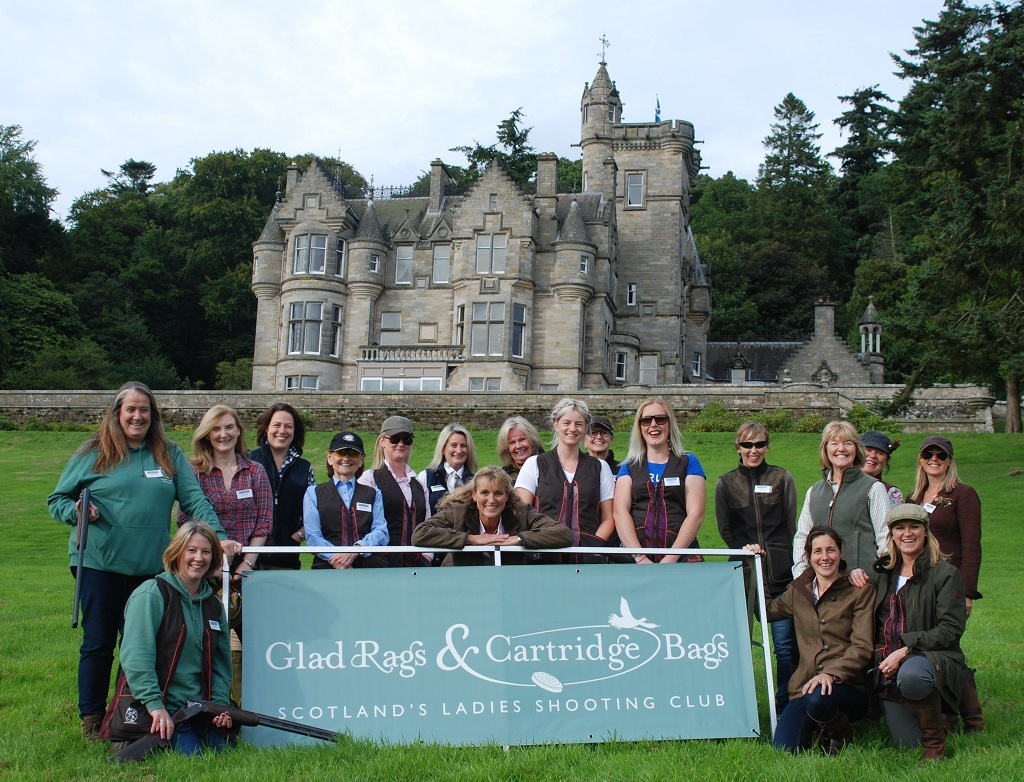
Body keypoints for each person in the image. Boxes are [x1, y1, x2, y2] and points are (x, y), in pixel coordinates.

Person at [47, 382, 238, 740]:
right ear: (117, 413)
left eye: (144, 409)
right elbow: (57, 499)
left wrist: (217, 534)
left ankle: (135, 712)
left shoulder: (169, 454)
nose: (137, 416)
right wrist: (76, 511)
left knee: (147, 645)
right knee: (99, 642)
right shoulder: (92, 452)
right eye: (130, 409)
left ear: (154, 415)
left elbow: (194, 500)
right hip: (100, 563)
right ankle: (91, 718)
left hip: (151, 571)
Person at [750, 526, 874, 754]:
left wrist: (831, 673)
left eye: (831, 550)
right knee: (785, 749)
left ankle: (839, 732)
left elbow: (862, 647)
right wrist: (754, 566)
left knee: (819, 698)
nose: (824, 557)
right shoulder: (798, 592)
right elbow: (766, 612)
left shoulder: (859, 591)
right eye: (818, 551)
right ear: (808, 556)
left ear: (840, 553)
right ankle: (820, 726)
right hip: (804, 687)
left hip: (847, 687)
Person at [119, 521, 234, 754]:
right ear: (176, 552)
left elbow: (222, 663)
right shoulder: (151, 594)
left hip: (199, 708)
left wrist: (219, 707)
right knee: (194, 759)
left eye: (206, 551)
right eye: (191, 550)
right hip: (159, 707)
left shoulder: (213, 604)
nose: (198, 558)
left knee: (225, 752)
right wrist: (155, 706)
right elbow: (136, 657)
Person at [870, 504, 967, 761]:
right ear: (891, 535)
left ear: (926, 532)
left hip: (930, 658)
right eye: (899, 528)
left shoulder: (946, 574)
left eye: (914, 526)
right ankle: (942, 717)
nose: (907, 533)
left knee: (912, 675)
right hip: (887, 665)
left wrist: (906, 650)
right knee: (907, 744)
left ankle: (935, 745)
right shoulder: (882, 574)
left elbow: (950, 630)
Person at [716, 421, 798, 713]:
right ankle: (738, 704)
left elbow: (792, 526)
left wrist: (783, 558)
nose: (754, 451)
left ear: (767, 446)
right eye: (747, 445)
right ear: (738, 447)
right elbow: (725, 529)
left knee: (785, 646)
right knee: (736, 643)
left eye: (759, 444)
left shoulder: (782, 478)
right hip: (742, 572)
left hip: (780, 574)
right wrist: (744, 550)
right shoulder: (726, 483)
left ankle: (784, 703)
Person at [908, 435, 984, 733]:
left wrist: (967, 592)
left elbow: (972, 546)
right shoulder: (913, 498)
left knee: (948, 645)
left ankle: (972, 719)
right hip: (919, 584)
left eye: (941, 454)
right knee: (929, 648)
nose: (934, 459)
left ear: (950, 460)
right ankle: (944, 713)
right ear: (921, 459)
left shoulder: (963, 494)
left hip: (950, 583)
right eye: (929, 454)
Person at [514, 398, 616, 562]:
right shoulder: (535, 464)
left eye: (579, 424)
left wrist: (594, 545)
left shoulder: (600, 467)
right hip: (543, 556)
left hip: (586, 559)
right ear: (556, 424)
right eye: (566, 422)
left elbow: (609, 517)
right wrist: (534, 540)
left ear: (585, 428)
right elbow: (521, 513)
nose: (572, 429)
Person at [179, 405, 272, 581]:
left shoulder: (255, 471)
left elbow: (264, 523)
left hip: (247, 568)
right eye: (216, 429)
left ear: (238, 431)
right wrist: (210, 564)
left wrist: (247, 564)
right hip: (204, 567)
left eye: (229, 427)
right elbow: (185, 520)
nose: (223, 434)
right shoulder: (194, 473)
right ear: (207, 434)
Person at [412, 467, 573, 565]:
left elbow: (563, 533)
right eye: (484, 493)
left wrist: (517, 540)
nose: (491, 500)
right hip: (461, 584)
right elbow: (420, 534)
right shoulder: (458, 511)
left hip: (509, 585)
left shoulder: (520, 512)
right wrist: (470, 539)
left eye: (498, 493)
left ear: (507, 496)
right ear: (474, 495)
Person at [613, 397, 706, 564]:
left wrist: (671, 557)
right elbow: (620, 513)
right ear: (639, 427)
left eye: (660, 419)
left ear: (669, 424)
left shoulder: (689, 462)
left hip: (681, 557)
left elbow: (696, 514)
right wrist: (640, 557)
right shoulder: (629, 466)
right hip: (636, 559)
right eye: (646, 420)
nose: (653, 424)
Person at [793, 421, 889, 578]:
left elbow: (885, 537)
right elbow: (802, 537)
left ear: (856, 449)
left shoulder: (873, 488)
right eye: (834, 443)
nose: (841, 449)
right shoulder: (813, 492)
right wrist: (801, 576)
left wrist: (876, 575)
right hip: (821, 586)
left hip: (861, 586)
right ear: (826, 449)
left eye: (848, 443)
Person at [304, 432, 389, 569]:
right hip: (327, 570)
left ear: (361, 459)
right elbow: (313, 536)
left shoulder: (374, 493)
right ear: (330, 457)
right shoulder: (313, 493)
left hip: (369, 569)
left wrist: (357, 550)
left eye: (353, 454)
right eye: (341, 453)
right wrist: (338, 558)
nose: (346, 458)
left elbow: (381, 532)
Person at [248, 403, 315, 570]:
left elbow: (314, 511)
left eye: (288, 426)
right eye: (276, 425)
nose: (282, 431)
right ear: (266, 429)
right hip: (247, 558)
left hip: (287, 559)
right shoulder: (248, 461)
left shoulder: (305, 469)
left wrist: (298, 536)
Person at [359, 416, 430, 567]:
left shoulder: (419, 484)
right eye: (395, 438)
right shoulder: (370, 479)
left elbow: (427, 524)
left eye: (407, 439)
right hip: (381, 565)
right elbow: (361, 525)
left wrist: (427, 556)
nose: (401, 444)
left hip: (416, 567)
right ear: (382, 441)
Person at [418, 423, 478, 517]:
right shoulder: (425, 477)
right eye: (453, 445)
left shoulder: (476, 481)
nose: (459, 450)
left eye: (463, 446)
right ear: (443, 449)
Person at [496, 416, 545, 482]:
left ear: (532, 440)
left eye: (522, 439)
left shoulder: (549, 467)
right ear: (507, 448)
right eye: (512, 442)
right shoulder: (503, 477)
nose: (518, 446)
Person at [861, 430, 903, 506]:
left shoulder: (891, 493)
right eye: (868, 450)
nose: (873, 456)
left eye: (880, 453)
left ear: (886, 461)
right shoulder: (841, 486)